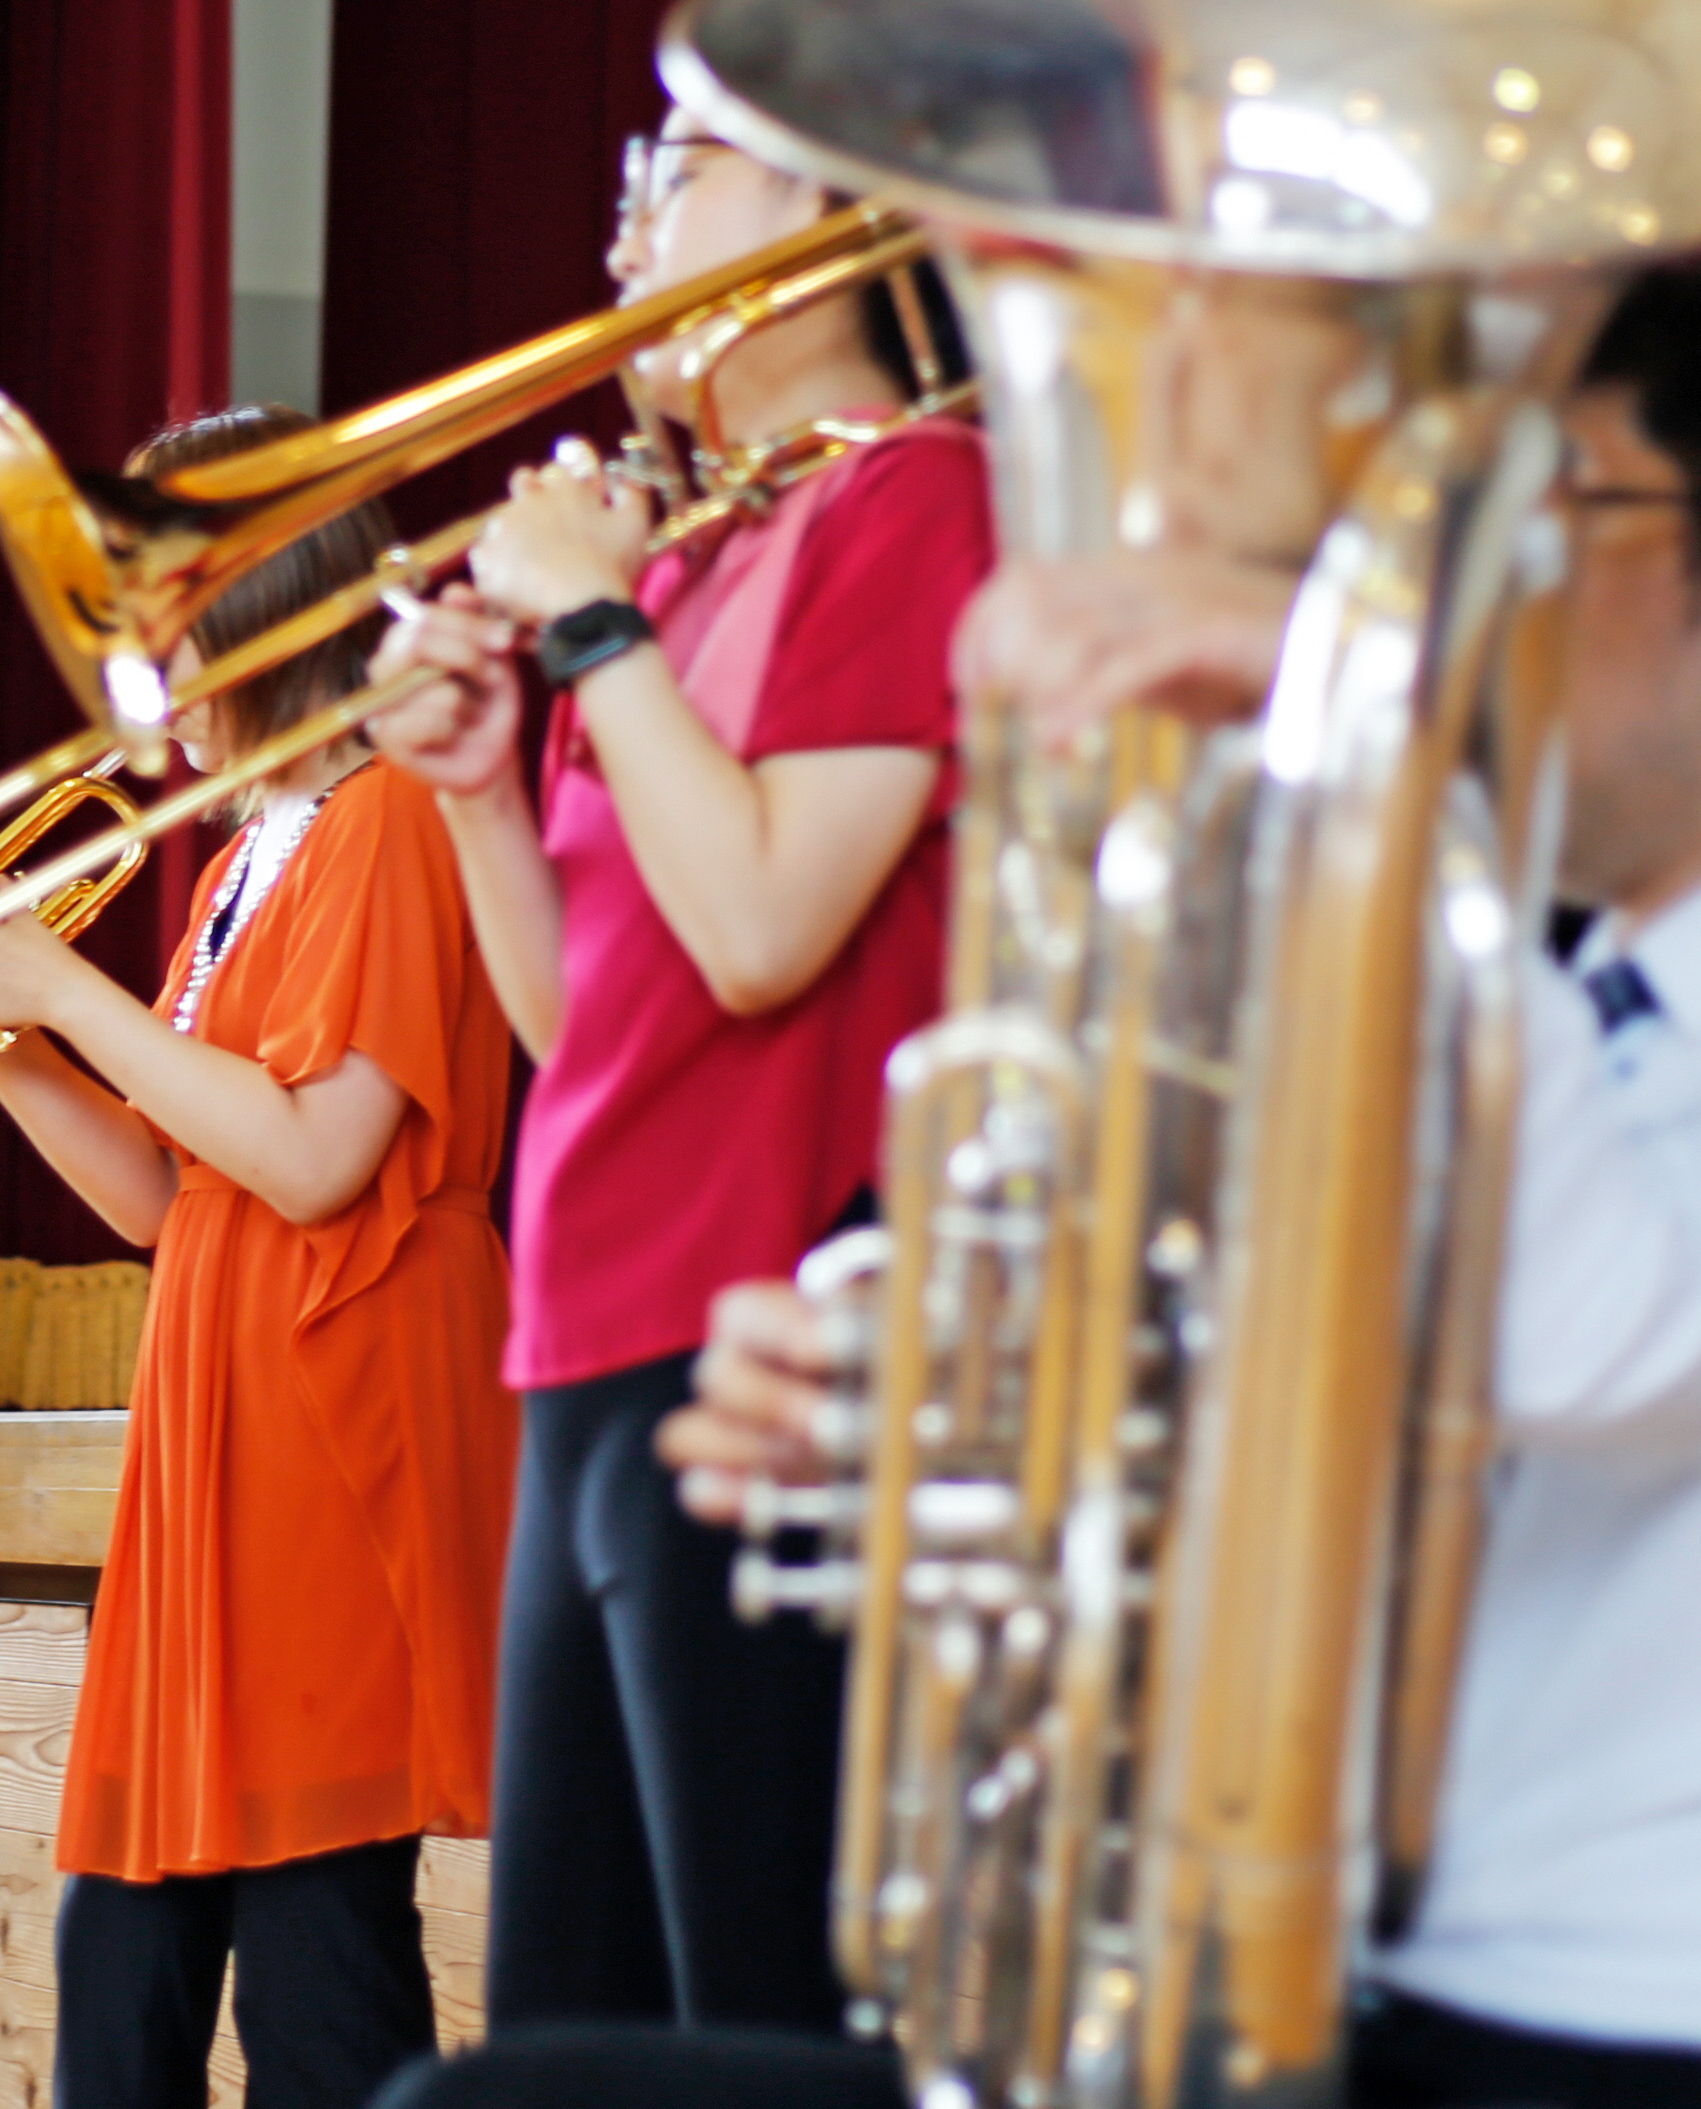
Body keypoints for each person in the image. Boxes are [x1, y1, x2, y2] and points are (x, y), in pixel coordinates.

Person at [454, 255, 1701, 2109]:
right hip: (1369, 2021)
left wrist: (1335, 712)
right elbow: (1339, 1430)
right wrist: (979, 1415)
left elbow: (1582, 1314)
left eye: (1544, 521)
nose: (1465, 607)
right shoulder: (1559, 1014)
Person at [364, 113, 992, 2039]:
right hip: (582, 1341)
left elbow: (762, 929)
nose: (629, 222)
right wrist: (480, 794)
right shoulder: (697, 555)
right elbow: (581, 1024)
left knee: (752, 2010)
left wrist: (597, 632)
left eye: (684, 171)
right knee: (567, 2012)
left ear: (824, 201)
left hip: (761, 1355)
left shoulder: (922, 496)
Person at [0, 404, 524, 2109]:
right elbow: (169, 1200)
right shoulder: (250, 848)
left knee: (317, 1951)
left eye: (148, 601)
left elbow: (318, 1161)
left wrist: (62, 989)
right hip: (222, 1417)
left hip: (343, 1406)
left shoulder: (392, 812)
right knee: (127, 1953)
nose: (127, 650)